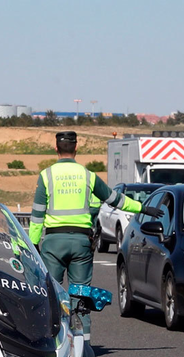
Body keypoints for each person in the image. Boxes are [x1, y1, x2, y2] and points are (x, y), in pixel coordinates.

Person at [29, 131, 141, 329]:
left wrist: (33, 243)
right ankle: (83, 348)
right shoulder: (88, 176)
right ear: (76, 148)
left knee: (51, 295)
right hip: (82, 242)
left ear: (56, 148)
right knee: (81, 299)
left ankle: (54, 344)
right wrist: (142, 207)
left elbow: (37, 215)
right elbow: (115, 199)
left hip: (54, 242)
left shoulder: (46, 176)